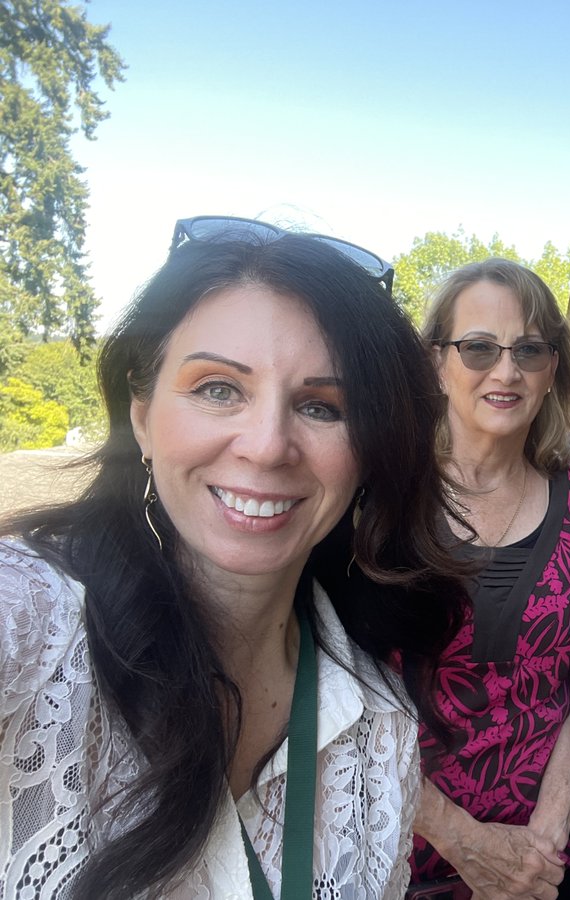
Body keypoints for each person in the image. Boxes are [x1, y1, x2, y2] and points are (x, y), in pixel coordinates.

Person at [0, 216, 470, 899]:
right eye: (219, 389)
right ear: (141, 416)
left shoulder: (380, 727)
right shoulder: (32, 621)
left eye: (322, 406)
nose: (267, 445)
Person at [410, 259, 570, 899]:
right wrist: (465, 841)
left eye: (528, 349)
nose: (505, 371)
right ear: (436, 365)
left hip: (540, 871)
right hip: (391, 857)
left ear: (553, 371)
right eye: (477, 349)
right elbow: (331, 692)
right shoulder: (381, 499)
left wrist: (542, 844)